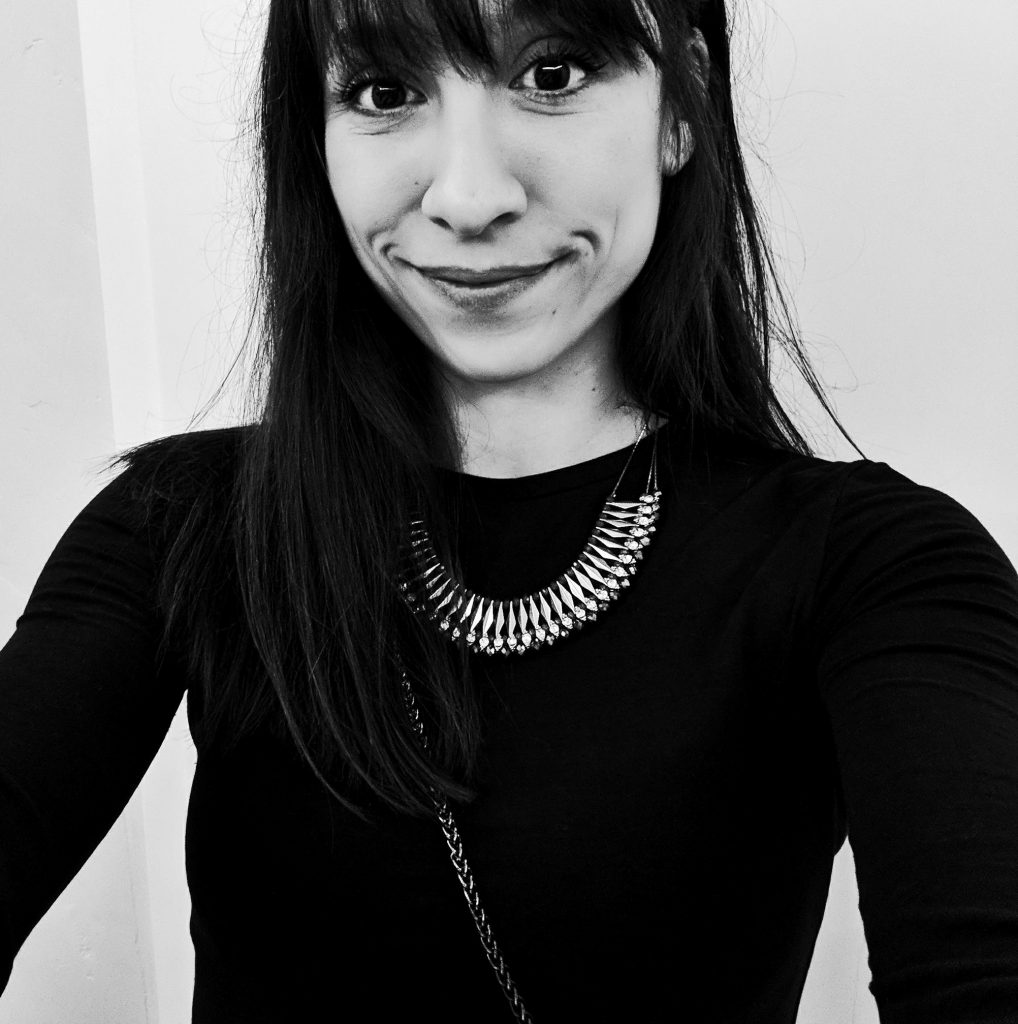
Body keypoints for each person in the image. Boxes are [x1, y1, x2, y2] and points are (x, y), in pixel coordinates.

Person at [2, 0, 1017, 1021]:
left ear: (683, 105)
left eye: (553, 74)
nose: (470, 197)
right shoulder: (179, 526)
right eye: (385, 91)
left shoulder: (876, 567)